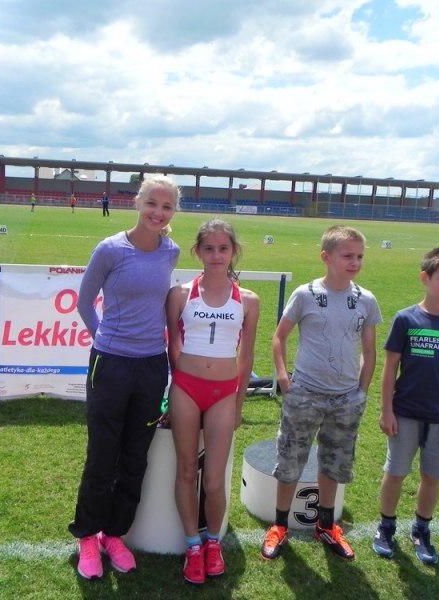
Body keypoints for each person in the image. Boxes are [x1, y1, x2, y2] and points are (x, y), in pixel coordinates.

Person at [68, 175, 181, 580]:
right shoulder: (111, 249)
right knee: (103, 455)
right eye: (152, 203)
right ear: (138, 202)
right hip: (111, 364)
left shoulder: (170, 251)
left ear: (173, 212)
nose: (158, 212)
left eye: (167, 206)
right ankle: (87, 535)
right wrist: (107, 340)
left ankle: (114, 535)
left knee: (135, 458)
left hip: (151, 367)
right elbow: (84, 302)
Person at [260, 225, 382, 562]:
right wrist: (284, 379)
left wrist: (361, 390)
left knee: (334, 463)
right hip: (305, 394)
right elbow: (279, 337)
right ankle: (280, 525)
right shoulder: (306, 294)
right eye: (347, 256)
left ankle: (326, 526)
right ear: (326, 257)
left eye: (359, 256)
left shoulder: (366, 299)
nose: (355, 262)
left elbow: (369, 351)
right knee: (290, 461)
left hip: (346, 399)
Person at [166, 219, 260, 585]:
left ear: (233, 251)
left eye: (223, 248)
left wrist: (238, 405)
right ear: (197, 252)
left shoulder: (248, 300)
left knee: (215, 481)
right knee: (187, 471)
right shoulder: (180, 294)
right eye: (209, 248)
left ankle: (213, 543)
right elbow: (172, 345)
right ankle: (193, 545)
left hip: (224, 394)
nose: (216, 255)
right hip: (186, 389)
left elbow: (246, 358)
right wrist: (176, 387)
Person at [372, 247, 439, 565]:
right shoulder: (406, 318)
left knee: (432, 477)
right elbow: (390, 367)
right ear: (425, 278)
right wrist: (386, 410)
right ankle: (386, 526)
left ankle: (421, 529)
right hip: (405, 412)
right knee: (395, 472)